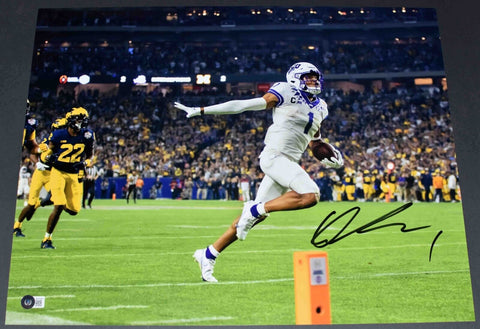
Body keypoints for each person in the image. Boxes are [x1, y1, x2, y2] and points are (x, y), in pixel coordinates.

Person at [175, 62, 343, 282]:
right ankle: (256, 208)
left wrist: (330, 157)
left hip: (288, 163)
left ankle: (208, 254)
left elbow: (315, 143)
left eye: (315, 78)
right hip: (274, 157)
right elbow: (243, 105)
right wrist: (203, 110)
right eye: (308, 77)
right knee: (310, 195)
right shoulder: (285, 90)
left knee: (252, 218)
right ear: (295, 78)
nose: (313, 81)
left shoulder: (321, 106)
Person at [39, 107, 95, 249]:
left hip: (74, 173)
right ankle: (47, 239)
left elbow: (90, 155)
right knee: (59, 206)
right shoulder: (58, 134)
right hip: (58, 172)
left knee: (74, 210)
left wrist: (87, 162)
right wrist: (46, 157)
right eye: (79, 119)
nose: (81, 123)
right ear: (71, 121)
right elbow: (47, 151)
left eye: (83, 120)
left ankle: (53, 198)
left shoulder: (87, 135)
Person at [13, 117, 67, 237]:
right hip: (40, 173)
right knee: (31, 203)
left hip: (53, 174)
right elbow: (32, 153)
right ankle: (17, 225)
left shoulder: (68, 144)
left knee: (56, 200)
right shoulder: (48, 142)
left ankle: (38, 205)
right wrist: (37, 163)